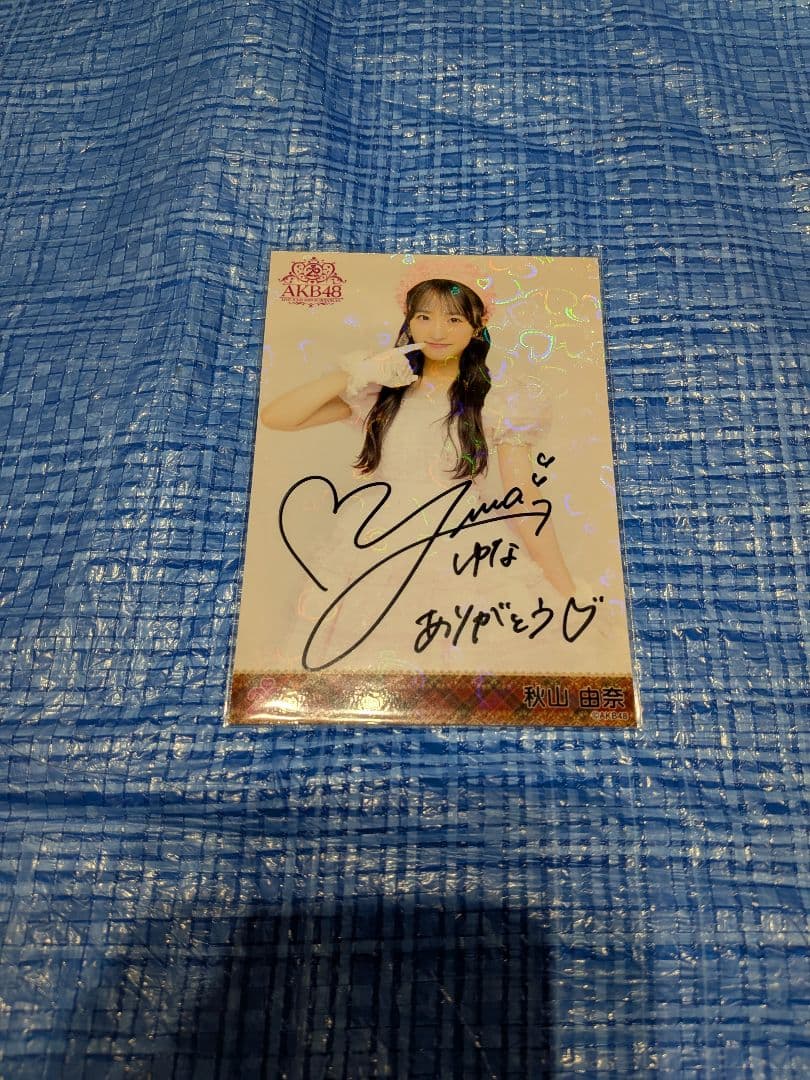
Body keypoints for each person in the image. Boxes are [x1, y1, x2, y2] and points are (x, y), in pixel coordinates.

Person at [262, 277, 586, 672]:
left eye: (454, 320)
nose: (437, 332)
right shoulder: (381, 396)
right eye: (424, 317)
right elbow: (278, 417)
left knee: (464, 665)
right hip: (375, 545)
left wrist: (566, 590)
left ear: (478, 325)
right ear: (408, 320)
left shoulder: (499, 401)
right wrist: (357, 371)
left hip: (461, 547)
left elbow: (524, 499)